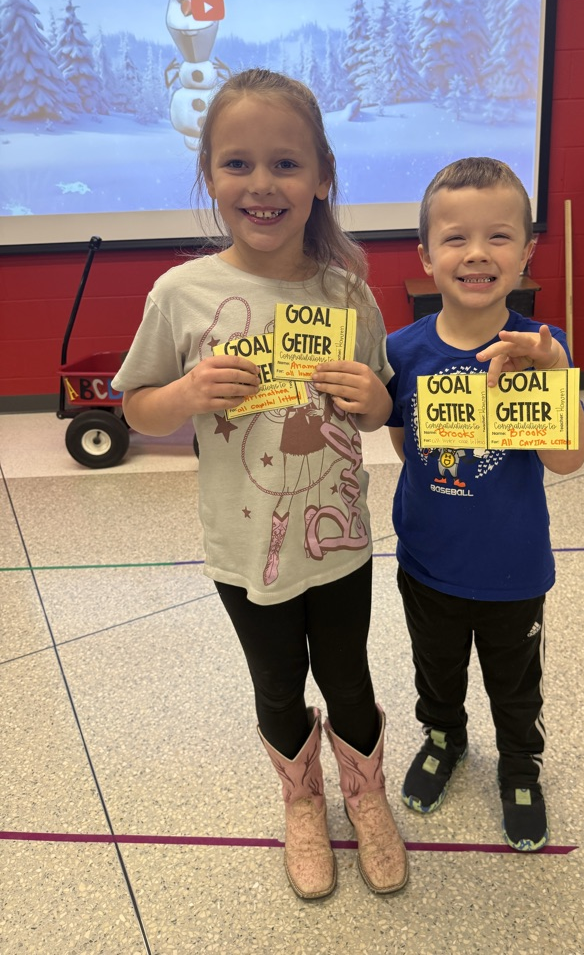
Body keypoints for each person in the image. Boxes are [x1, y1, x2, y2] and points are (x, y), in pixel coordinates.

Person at [112, 69, 408, 899]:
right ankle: (302, 802)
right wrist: (184, 394)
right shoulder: (181, 293)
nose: (262, 184)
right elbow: (135, 406)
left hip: (339, 538)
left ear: (322, 177)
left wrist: (373, 396)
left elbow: (381, 405)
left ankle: (366, 795)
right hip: (245, 545)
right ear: (209, 176)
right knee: (276, 682)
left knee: (348, 677)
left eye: (286, 163)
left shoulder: (346, 290)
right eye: (237, 163)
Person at [385, 157, 584, 851]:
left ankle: (520, 765)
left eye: (498, 236)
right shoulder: (402, 351)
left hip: (513, 570)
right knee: (435, 671)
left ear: (527, 250)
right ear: (426, 256)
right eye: (456, 238)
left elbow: (567, 460)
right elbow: (404, 442)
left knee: (516, 683)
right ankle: (444, 738)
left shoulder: (544, 348)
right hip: (428, 564)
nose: (476, 253)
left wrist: (553, 377)